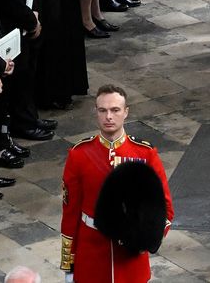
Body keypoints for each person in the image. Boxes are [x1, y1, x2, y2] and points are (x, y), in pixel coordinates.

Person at [60, 84, 173, 283]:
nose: (108, 117)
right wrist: (69, 264)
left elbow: (164, 208)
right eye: (103, 110)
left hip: (131, 260)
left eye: (115, 110)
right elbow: (70, 215)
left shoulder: (145, 154)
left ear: (126, 112)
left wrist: (144, 239)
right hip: (92, 257)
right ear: (96, 112)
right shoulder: (79, 155)